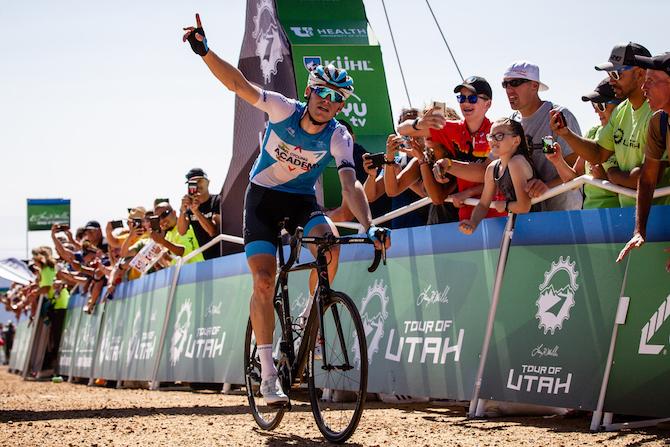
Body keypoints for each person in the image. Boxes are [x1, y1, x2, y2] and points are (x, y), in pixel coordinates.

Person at [183, 14, 389, 405]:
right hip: (262, 199)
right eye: (322, 94)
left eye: (337, 99)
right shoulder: (282, 109)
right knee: (264, 281)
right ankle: (267, 372)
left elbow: (350, 184)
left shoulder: (339, 135)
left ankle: (312, 320)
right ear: (310, 93)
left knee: (330, 245)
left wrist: (371, 225)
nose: (328, 103)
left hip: (300, 202)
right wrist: (206, 52)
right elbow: (238, 85)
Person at [550, 43, 668, 208]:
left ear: (640, 73)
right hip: (629, 215)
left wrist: (611, 174)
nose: (611, 81)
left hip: (660, 216)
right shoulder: (621, 110)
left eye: (616, 74)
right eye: (608, 74)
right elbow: (598, 154)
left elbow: (643, 178)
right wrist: (566, 133)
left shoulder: (659, 113)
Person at [399, 76, 507, 221]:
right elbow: (402, 130)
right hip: (466, 217)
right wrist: (420, 123)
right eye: (462, 98)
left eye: (472, 98)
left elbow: (492, 175)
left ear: (487, 104)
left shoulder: (498, 131)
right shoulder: (453, 129)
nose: (466, 103)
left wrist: (448, 165)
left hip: (497, 216)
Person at [498, 61, 583, 211]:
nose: (509, 90)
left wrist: (545, 187)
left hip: (563, 213)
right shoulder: (511, 123)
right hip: (529, 215)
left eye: (515, 83)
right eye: (505, 84)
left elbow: (577, 168)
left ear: (534, 86)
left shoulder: (559, 115)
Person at [617, 52, 670, 265]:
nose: (643, 88)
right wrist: (640, 231)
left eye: (651, 81)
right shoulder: (659, 122)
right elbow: (647, 179)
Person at [544, 79, 622, 209]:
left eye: (601, 105)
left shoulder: (627, 134)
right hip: (589, 214)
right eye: (594, 105)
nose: (596, 111)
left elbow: (637, 188)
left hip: (619, 214)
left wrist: (604, 180)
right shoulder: (592, 133)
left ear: (621, 105)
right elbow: (574, 183)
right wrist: (557, 161)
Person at [459, 118, 536, 235]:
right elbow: (483, 204)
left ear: (516, 140)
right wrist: (473, 222)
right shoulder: (492, 168)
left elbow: (524, 206)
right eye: (490, 136)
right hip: (519, 226)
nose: (493, 141)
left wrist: (505, 206)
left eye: (499, 136)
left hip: (535, 224)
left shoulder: (516, 163)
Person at [178, 168, 222, 260]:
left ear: (208, 182)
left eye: (199, 181)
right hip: (205, 259)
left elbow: (213, 232)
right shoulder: (189, 208)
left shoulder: (217, 200)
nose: (197, 185)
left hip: (223, 255)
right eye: (192, 183)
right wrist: (182, 211)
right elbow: (182, 232)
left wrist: (196, 212)